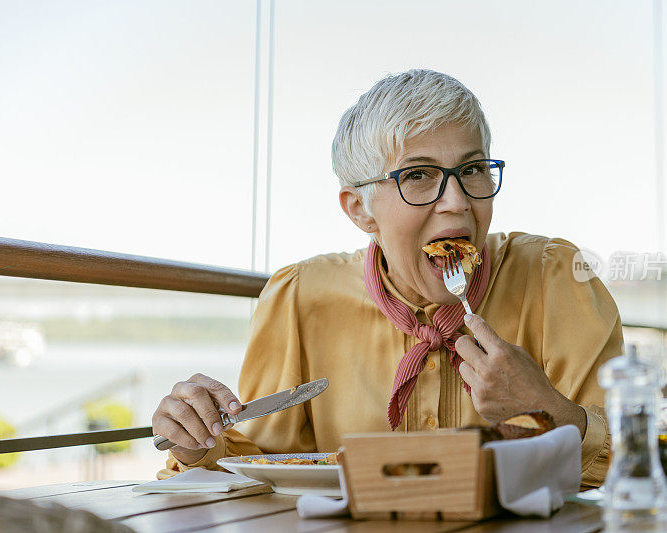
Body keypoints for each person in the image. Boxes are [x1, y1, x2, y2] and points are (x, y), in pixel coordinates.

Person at [152, 69, 623, 487]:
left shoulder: (553, 276)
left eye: (473, 169)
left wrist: (551, 413)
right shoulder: (300, 298)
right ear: (360, 209)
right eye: (419, 175)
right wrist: (196, 444)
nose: (457, 202)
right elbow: (255, 469)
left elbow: (640, 464)